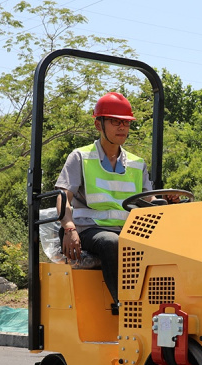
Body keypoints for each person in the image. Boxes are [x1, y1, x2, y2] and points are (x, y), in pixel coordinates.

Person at [55, 92, 152, 315]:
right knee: (111, 243)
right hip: (87, 230)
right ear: (99, 124)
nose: (122, 127)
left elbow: (150, 200)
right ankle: (127, 307)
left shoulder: (137, 164)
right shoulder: (80, 157)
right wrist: (69, 229)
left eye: (126, 122)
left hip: (127, 232)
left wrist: (169, 201)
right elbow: (62, 199)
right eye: (115, 121)